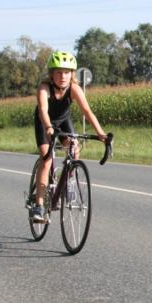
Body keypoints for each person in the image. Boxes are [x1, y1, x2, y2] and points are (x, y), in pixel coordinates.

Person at [30, 50, 107, 223]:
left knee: (74, 150)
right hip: (45, 122)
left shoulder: (74, 89)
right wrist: (49, 127)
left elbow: (87, 111)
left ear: (72, 74)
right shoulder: (44, 87)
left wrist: (100, 132)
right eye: (58, 72)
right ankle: (39, 206)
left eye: (66, 72)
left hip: (64, 121)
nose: (62, 76)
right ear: (51, 73)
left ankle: (69, 183)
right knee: (47, 159)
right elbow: (43, 109)